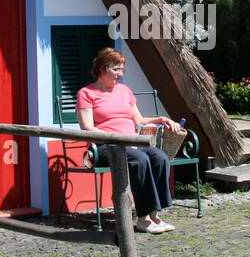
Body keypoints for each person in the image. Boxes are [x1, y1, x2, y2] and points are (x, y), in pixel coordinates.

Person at [76, 47, 184, 234]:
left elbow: (139, 121)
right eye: (116, 69)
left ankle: (154, 213)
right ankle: (143, 219)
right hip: (105, 147)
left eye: (122, 69)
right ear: (102, 68)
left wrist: (162, 119)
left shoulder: (124, 91)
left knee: (159, 157)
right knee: (140, 160)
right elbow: (87, 127)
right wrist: (116, 139)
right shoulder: (86, 93)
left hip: (132, 145)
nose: (120, 74)